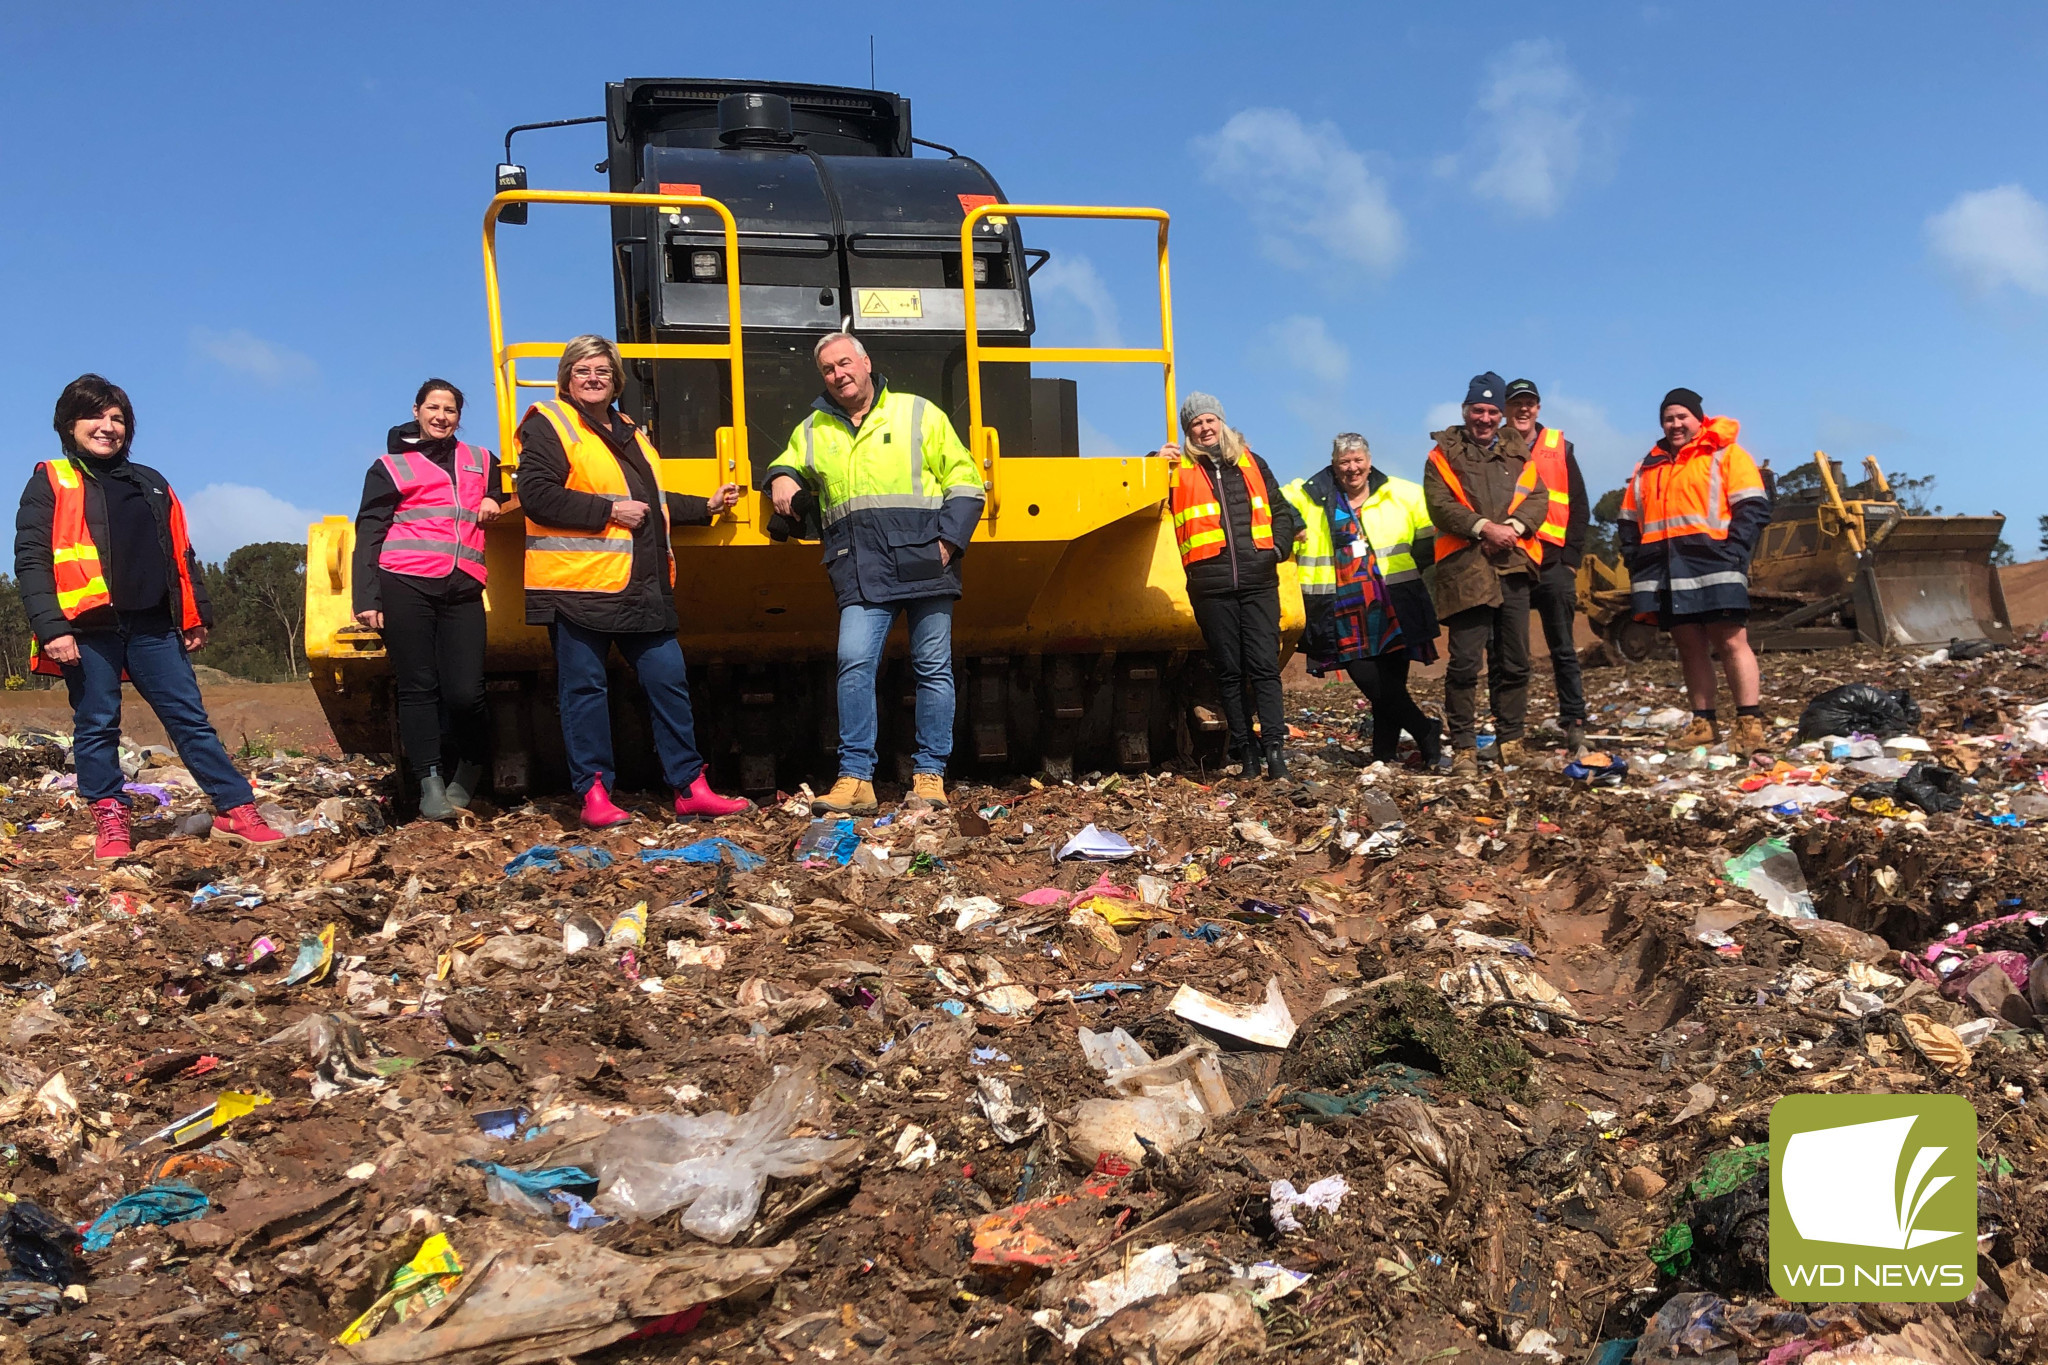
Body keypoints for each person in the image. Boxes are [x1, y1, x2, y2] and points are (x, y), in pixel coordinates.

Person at [15, 374, 285, 860]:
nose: (107, 426)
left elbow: (182, 553)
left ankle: (235, 808)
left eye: (117, 418)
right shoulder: (52, 480)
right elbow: (32, 560)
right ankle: (111, 819)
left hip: (153, 626)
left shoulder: (152, 483)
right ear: (69, 424)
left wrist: (194, 614)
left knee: (190, 721)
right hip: (87, 627)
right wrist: (51, 627)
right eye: (95, 416)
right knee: (97, 723)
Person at [513, 334, 750, 827]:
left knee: (669, 681)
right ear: (566, 378)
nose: (593, 378)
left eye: (602, 370)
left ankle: (690, 787)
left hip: (640, 586)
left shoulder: (629, 431)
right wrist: (608, 511)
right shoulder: (550, 424)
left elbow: (650, 502)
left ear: (616, 379)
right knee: (584, 691)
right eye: (582, 370)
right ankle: (595, 795)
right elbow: (535, 494)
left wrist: (703, 506)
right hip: (577, 587)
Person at [764, 329, 983, 814]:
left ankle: (929, 777)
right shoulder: (813, 428)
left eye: (845, 363)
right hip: (859, 566)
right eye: (828, 369)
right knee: (854, 665)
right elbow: (787, 464)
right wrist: (781, 476)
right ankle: (856, 780)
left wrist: (949, 542)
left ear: (865, 363)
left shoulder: (917, 412)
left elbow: (966, 479)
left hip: (926, 557)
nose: (838, 375)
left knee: (932, 670)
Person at [352, 379, 501, 820]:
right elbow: (370, 531)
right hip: (405, 583)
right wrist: (367, 597)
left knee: (466, 693)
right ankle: (430, 784)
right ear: (416, 411)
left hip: (463, 585)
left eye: (450, 410)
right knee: (418, 688)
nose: (441, 416)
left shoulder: (481, 460)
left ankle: (471, 766)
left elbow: (504, 492)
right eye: (432, 408)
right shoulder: (390, 466)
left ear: (459, 416)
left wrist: (494, 496)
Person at [1618, 388, 1772, 753]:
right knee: (1689, 647)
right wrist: (1635, 559)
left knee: (1732, 641)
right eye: (1668, 418)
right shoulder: (1647, 466)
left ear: (1697, 419)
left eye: (1681, 417)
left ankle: (1750, 724)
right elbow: (1627, 520)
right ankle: (1704, 723)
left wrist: (1734, 550)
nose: (1675, 424)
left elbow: (1753, 507)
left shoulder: (1725, 455)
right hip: (1664, 568)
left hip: (1715, 563)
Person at [1159, 392, 1303, 779]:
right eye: (1195, 424)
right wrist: (1151, 463)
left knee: (1263, 669)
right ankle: (1247, 756)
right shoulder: (1175, 468)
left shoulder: (1253, 462)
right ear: (1188, 431)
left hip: (1258, 582)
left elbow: (1283, 511)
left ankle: (1275, 754)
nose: (1204, 429)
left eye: (1209, 421)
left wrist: (1277, 549)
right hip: (1210, 585)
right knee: (1228, 671)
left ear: (1221, 422)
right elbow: (1141, 498)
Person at [1281, 434, 1441, 766]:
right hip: (1341, 607)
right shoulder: (1309, 494)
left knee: (1391, 685)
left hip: (1394, 602)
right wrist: (1293, 524)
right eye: (1344, 462)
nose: (1352, 468)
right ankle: (1425, 730)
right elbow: (1269, 499)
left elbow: (1429, 541)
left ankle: (1382, 756)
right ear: (1334, 464)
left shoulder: (1402, 493)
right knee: (1373, 683)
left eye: (1358, 461)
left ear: (1369, 461)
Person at [1422, 372, 1548, 778]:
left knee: (1514, 661)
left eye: (1493, 411)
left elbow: (1539, 497)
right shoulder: (1443, 453)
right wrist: (1483, 528)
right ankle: (1462, 748)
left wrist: (1513, 529)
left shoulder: (1518, 452)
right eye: (1479, 410)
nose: (1486, 418)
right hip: (1466, 571)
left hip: (1512, 567)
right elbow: (1440, 505)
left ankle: (1510, 741)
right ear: (1465, 411)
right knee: (1463, 664)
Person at [1502, 379, 1590, 752]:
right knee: (1510, 652)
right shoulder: (1494, 446)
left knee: (1563, 649)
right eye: (1517, 403)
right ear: (1508, 408)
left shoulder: (1560, 447)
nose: (1524, 409)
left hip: (1553, 561)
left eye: (1530, 403)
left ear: (1538, 408)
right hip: (1514, 560)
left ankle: (1575, 722)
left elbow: (1580, 505)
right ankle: (1511, 732)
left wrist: (1571, 560)